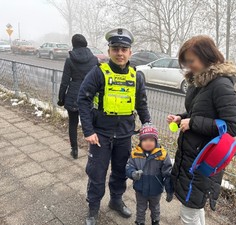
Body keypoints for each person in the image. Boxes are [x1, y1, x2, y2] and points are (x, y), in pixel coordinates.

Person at [77, 28, 151, 225]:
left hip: (125, 135)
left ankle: (116, 201)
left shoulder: (137, 76)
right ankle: (93, 208)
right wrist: (88, 131)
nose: (120, 53)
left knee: (120, 172)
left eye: (124, 49)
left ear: (130, 52)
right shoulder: (98, 72)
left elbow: (141, 104)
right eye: (116, 48)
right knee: (97, 173)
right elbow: (82, 100)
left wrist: (148, 125)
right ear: (109, 51)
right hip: (100, 135)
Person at [167, 35, 236, 225]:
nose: (188, 66)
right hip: (191, 156)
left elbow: (233, 126)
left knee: (189, 211)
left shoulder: (221, 85)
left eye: (191, 61)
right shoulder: (200, 82)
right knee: (195, 207)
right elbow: (197, 113)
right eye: (186, 62)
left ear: (207, 56)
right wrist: (182, 118)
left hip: (203, 159)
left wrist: (192, 123)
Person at [57, 34, 98, 159]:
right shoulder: (94, 59)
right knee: (90, 124)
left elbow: (65, 81)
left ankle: (74, 150)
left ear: (73, 44)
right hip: (89, 95)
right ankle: (93, 151)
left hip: (73, 95)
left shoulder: (70, 60)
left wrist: (61, 98)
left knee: (73, 123)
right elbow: (97, 80)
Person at [126, 125, 174, 225]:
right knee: (140, 207)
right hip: (140, 188)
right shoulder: (135, 153)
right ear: (140, 141)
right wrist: (133, 174)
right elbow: (128, 167)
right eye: (145, 140)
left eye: (151, 140)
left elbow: (168, 174)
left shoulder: (162, 155)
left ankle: (155, 221)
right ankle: (140, 222)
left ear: (156, 141)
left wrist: (169, 190)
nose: (148, 142)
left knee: (155, 207)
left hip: (156, 190)